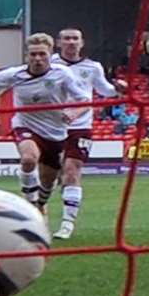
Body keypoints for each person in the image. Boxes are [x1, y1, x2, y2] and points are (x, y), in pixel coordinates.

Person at [0, 33, 91, 216]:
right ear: (26, 55)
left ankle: (40, 204)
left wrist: (74, 113)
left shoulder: (62, 74)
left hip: (55, 132)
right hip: (25, 125)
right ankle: (30, 206)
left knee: (47, 184)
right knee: (29, 159)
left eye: (42, 54)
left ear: (50, 54)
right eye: (33, 54)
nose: (37, 59)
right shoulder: (13, 74)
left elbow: (84, 99)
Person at [54, 27, 122, 240]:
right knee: (54, 174)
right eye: (66, 38)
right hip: (51, 126)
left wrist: (118, 88)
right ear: (58, 43)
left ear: (82, 43)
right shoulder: (50, 64)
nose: (71, 42)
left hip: (81, 126)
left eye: (75, 39)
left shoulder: (92, 67)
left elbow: (105, 91)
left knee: (72, 171)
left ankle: (67, 223)